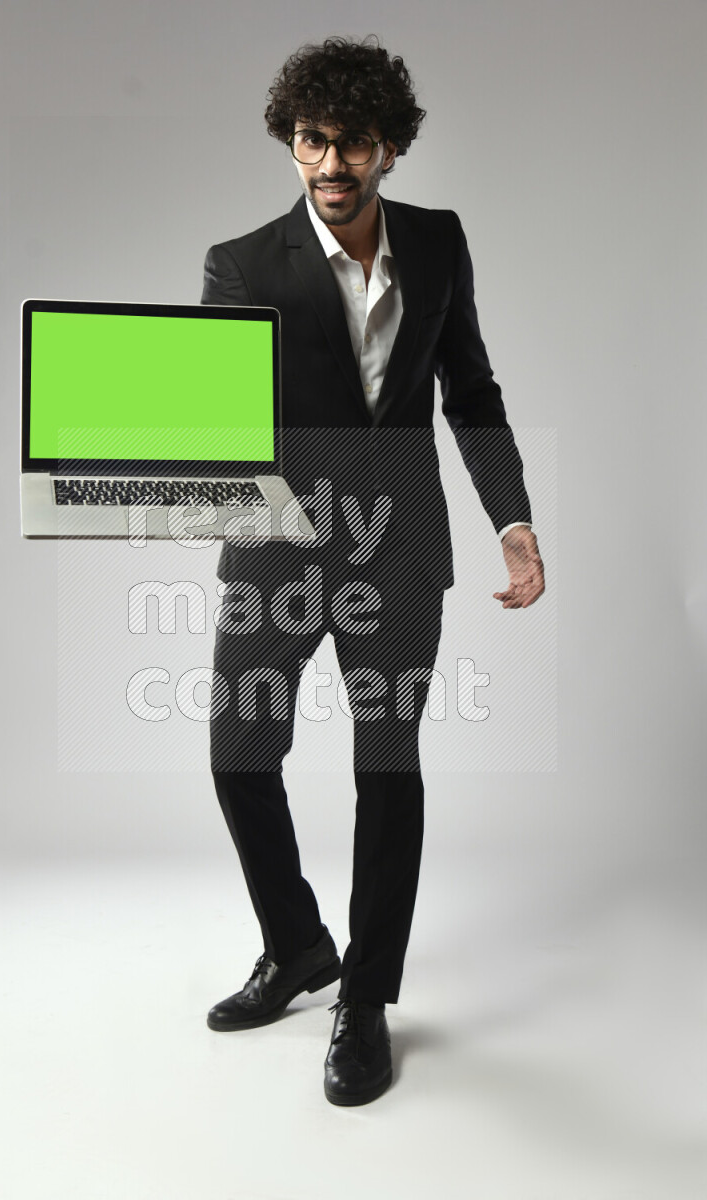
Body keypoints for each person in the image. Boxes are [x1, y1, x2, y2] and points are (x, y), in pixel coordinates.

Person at [200, 35, 545, 1106]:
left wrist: (513, 519)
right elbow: (215, 427)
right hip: (278, 550)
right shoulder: (242, 264)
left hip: (397, 548)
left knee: (383, 769)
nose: (331, 161)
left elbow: (470, 390)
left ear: (388, 146)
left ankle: (366, 997)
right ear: (289, 144)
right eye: (311, 140)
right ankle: (297, 945)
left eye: (352, 141)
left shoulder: (437, 246)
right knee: (237, 754)